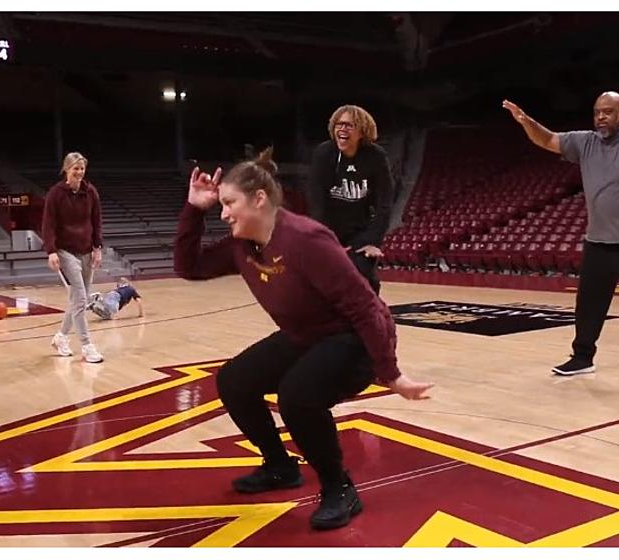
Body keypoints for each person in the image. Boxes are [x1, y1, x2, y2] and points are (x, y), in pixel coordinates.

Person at [174, 148, 433, 530]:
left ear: (259, 199)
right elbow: (189, 267)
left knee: (297, 397)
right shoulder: (242, 246)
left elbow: (365, 308)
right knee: (234, 381)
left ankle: (339, 488)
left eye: (229, 203)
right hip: (307, 335)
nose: (224, 213)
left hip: (353, 340)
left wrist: (391, 373)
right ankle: (280, 467)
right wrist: (194, 210)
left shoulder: (306, 239)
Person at [502, 92, 619, 389]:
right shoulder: (585, 141)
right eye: (597, 111)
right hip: (599, 240)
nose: (601, 117)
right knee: (589, 304)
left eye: (608, 112)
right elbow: (547, 140)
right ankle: (582, 357)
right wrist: (526, 121)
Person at [307, 105, 394, 294]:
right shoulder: (324, 153)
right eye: (339, 124)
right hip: (330, 230)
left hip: (360, 232)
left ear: (362, 130)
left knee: (363, 275)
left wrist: (374, 240)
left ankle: (371, 318)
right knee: (323, 279)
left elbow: (384, 202)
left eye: (349, 125)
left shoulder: (376, 156)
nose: (342, 129)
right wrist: (324, 239)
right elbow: (316, 201)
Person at [41, 151, 104, 363]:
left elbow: (96, 221)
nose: (79, 172)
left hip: (86, 249)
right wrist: (51, 250)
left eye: (82, 168)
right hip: (65, 251)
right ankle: (87, 346)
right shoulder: (55, 194)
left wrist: (98, 247)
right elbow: (48, 225)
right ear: (66, 169)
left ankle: (61, 337)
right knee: (80, 297)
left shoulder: (91, 192)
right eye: (75, 168)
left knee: (79, 300)